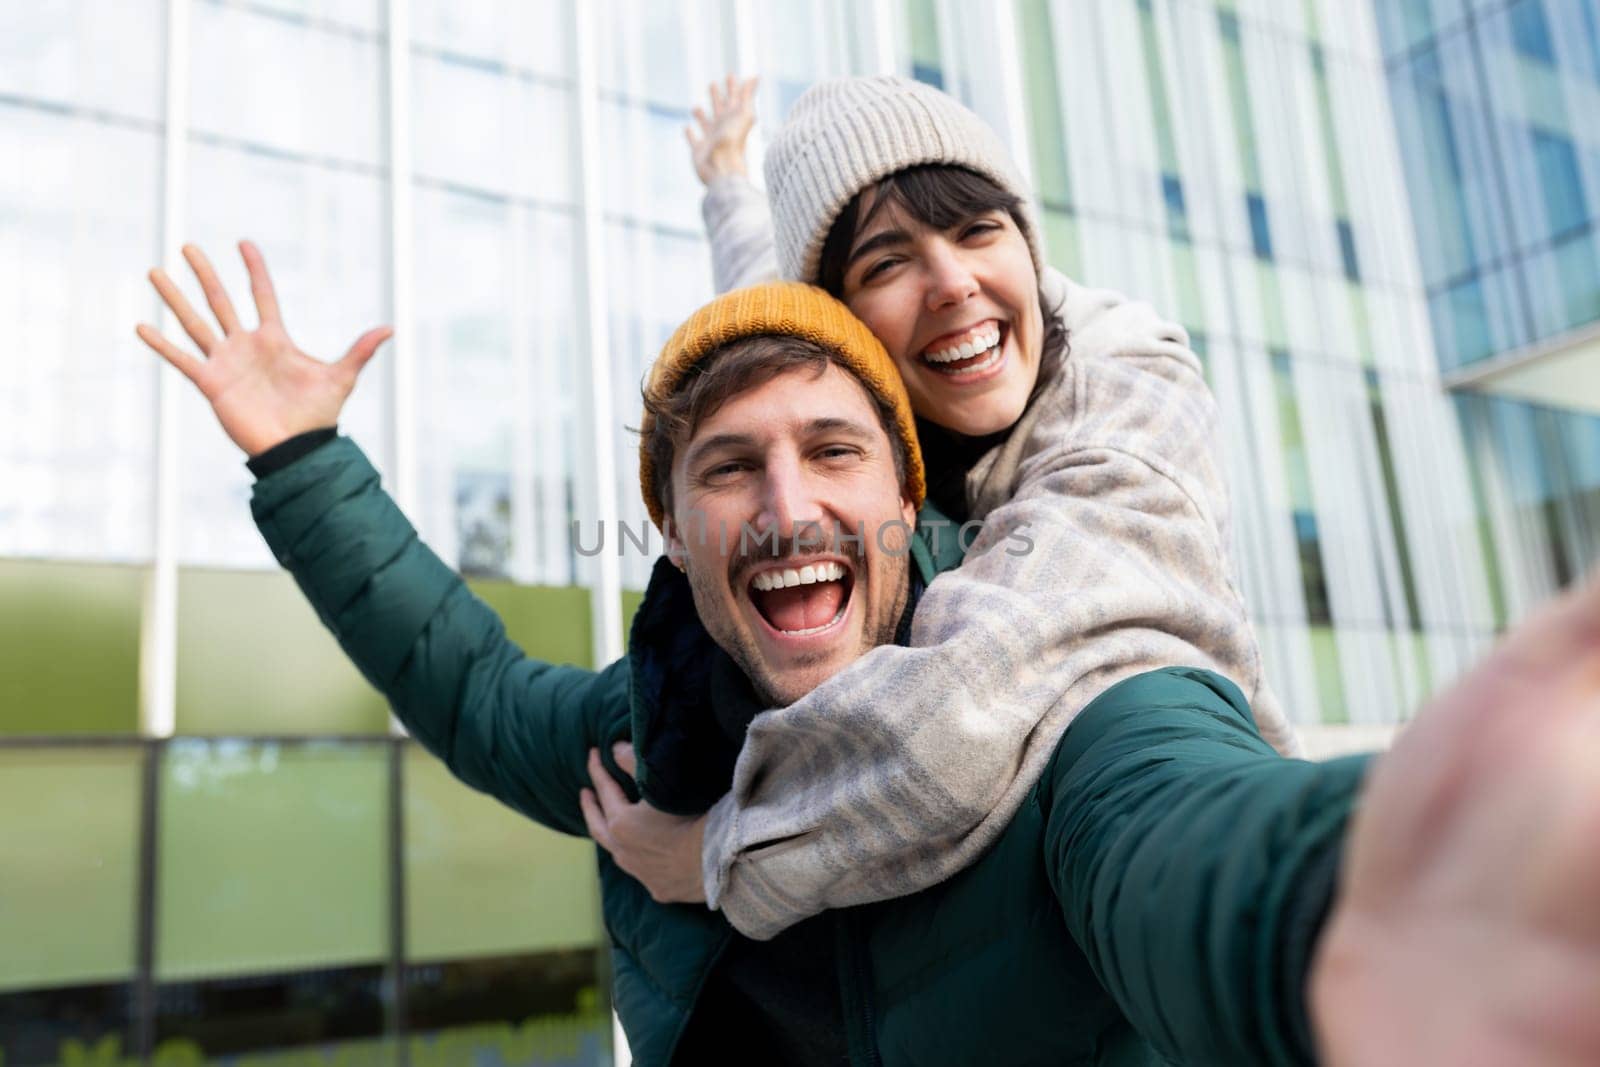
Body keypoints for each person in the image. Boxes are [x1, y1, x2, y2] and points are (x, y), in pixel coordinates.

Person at [595, 73, 1300, 941]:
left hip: (1211, 896)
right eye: (887, 262)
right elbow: (759, 275)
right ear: (841, 323)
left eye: (978, 230)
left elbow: (960, 721)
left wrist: (715, 852)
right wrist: (726, 182)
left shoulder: (1131, 389)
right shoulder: (868, 396)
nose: (953, 283)